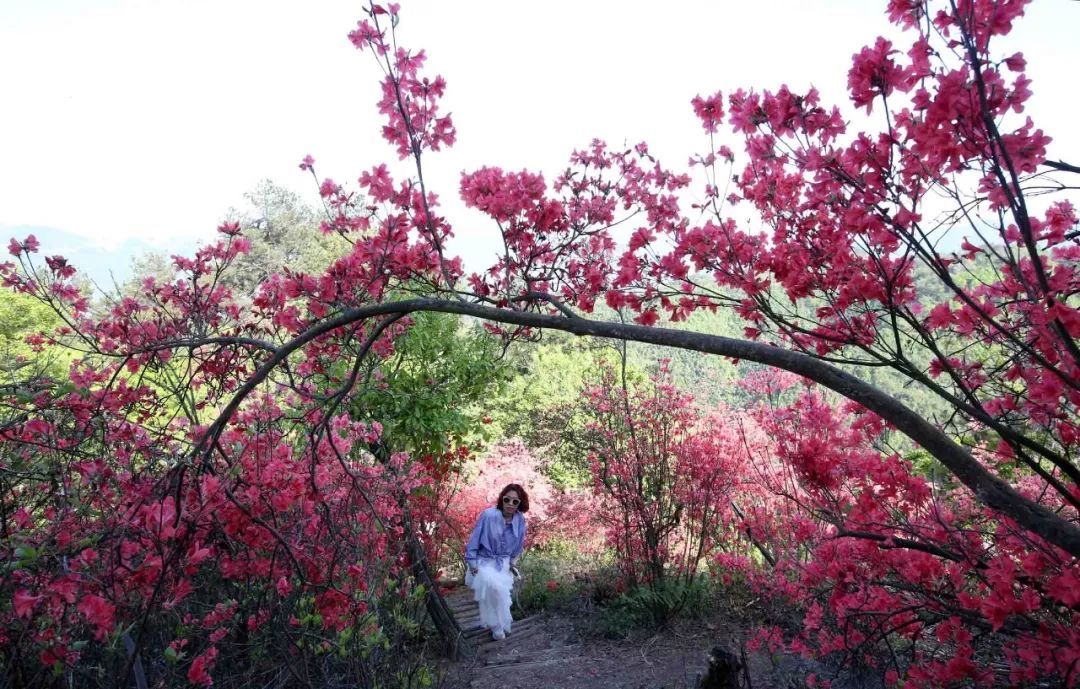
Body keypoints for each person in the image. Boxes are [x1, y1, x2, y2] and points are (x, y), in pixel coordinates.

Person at [463, 483, 528, 641]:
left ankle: (498, 624)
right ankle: (497, 626)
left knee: (499, 596)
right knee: (494, 589)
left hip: (503, 563)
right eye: (507, 500)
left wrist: (512, 562)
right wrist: (472, 564)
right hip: (483, 561)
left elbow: (519, 544)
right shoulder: (488, 515)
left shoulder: (519, 520)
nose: (510, 504)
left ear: (520, 504)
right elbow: (474, 540)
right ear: (502, 499)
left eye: (515, 501)